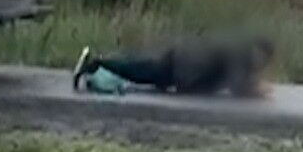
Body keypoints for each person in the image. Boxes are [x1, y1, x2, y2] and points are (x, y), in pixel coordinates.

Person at [71, 36, 275, 98]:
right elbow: (238, 87)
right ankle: (95, 61)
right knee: (139, 70)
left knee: (140, 68)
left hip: (182, 61)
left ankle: (98, 61)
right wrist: (260, 92)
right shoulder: (240, 54)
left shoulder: (239, 52)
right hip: (182, 68)